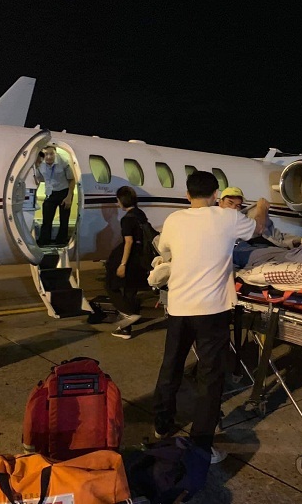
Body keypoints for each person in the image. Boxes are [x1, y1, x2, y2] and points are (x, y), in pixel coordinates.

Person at [152, 171, 268, 465]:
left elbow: (164, 249)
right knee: (210, 376)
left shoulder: (174, 220)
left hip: (179, 307)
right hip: (212, 311)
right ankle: (201, 445)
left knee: (171, 366)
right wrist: (262, 206)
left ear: (187, 195)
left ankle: (162, 425)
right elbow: (257, 229)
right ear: (216, 195)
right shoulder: (228, 217)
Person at [106, 186, 151, 339]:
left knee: (111, 285)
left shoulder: (127, 219)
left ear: (122, 200)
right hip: (140, 258)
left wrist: (122, 264)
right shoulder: (140, 214)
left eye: (118, 200)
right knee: (130, 291)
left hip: (130, 259)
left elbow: (129, 242)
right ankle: (126, 329)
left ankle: (127, 314)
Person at [218, 186, 302, 249]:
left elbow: (273, 234)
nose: (233, 208)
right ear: (220, 203)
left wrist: (300, 240)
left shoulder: (240, 218)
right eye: (230, 203)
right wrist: (261, 208)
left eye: (238, 205)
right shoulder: (217, 221)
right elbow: (259, 229)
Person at [35, 145, 75, 246]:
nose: (49, 157)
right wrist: (34, 193)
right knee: (47, 220)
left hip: (64, 192)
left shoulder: (63, 162)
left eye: (51, 154)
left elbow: (72, 180)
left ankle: (61, 243)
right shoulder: (39, 163)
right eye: (46, 154)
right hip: (50, 193)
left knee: (64, 220)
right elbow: (38, 180)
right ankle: (44, 242)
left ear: (55, 154)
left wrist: (69, 197)